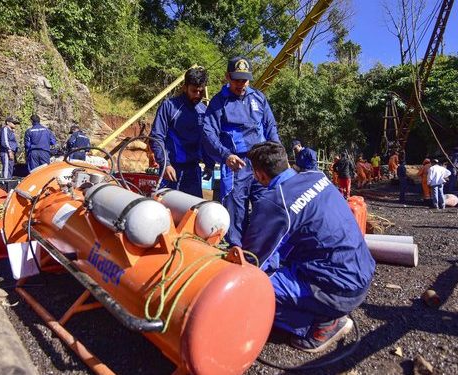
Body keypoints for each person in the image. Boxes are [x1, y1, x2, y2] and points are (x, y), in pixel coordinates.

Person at [242, 141, 375, 353]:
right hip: (362, 272)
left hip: (340, 290)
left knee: (249, 288)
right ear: (286, 162)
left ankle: (320, 325)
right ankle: (325, 309)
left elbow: (251, 261)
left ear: (259, 175)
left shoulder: (276, 201)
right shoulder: (317, 177)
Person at [202, 57, 280, 246]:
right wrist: (225, 155)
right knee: (236, 211)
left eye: (244, 80)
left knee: (267, 206)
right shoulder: (219, 102)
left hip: (261, 162)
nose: (241, 84)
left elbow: (271, 127)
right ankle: (236, 250)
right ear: (228, 77)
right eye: (237, 79)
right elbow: (208, 131)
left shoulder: (259, 98)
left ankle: (262, 252)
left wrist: (277, 156)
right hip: (235, 164)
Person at [150, 67, 214, 197]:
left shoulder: (204, 111)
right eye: (194, 91)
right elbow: (156, 137)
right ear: (185, 87)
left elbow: (206, 140)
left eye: (200, 92)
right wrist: (165, 164)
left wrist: (209, 164)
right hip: (170, 170)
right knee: (165, 211)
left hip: (193, 172)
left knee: (193, 211)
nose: (197, 95)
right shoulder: (169, 106)